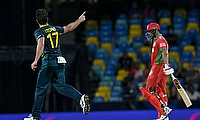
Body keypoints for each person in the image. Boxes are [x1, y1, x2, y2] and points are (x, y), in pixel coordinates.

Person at [24, 9, 90, 120]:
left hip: (48, 62)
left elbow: (41, 44)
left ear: (37, 20)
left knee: (40, 89)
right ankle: (80, 97)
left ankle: (35, 116)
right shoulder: (54, 28)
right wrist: (79, 20)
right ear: (47, 19)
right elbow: (69, 27)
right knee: (61, 87)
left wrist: (35, 60)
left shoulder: (39, 32)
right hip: (60, 61)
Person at [139, 22, 174, 120]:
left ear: (155, 30)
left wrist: (166, 65)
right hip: (159, 66)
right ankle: (163, 113)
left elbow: (165, 53)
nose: (148, 34)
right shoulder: (157, 40)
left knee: (147, 91)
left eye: (150, 31)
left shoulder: (160, 40)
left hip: (158, 66)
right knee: (159, 91)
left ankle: (163, 111)